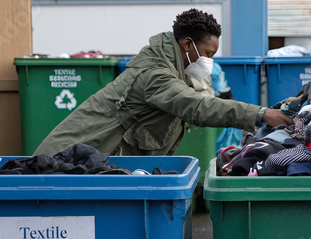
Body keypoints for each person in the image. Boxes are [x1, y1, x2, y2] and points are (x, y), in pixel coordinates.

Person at [34, 8, 292, 157]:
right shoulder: (155, 75)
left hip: (87, 161)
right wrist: (261, 114)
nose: (210, 61)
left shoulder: (172, 68)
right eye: (209, 54)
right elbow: (196, 107)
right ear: (188, 44)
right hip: (61, 164)